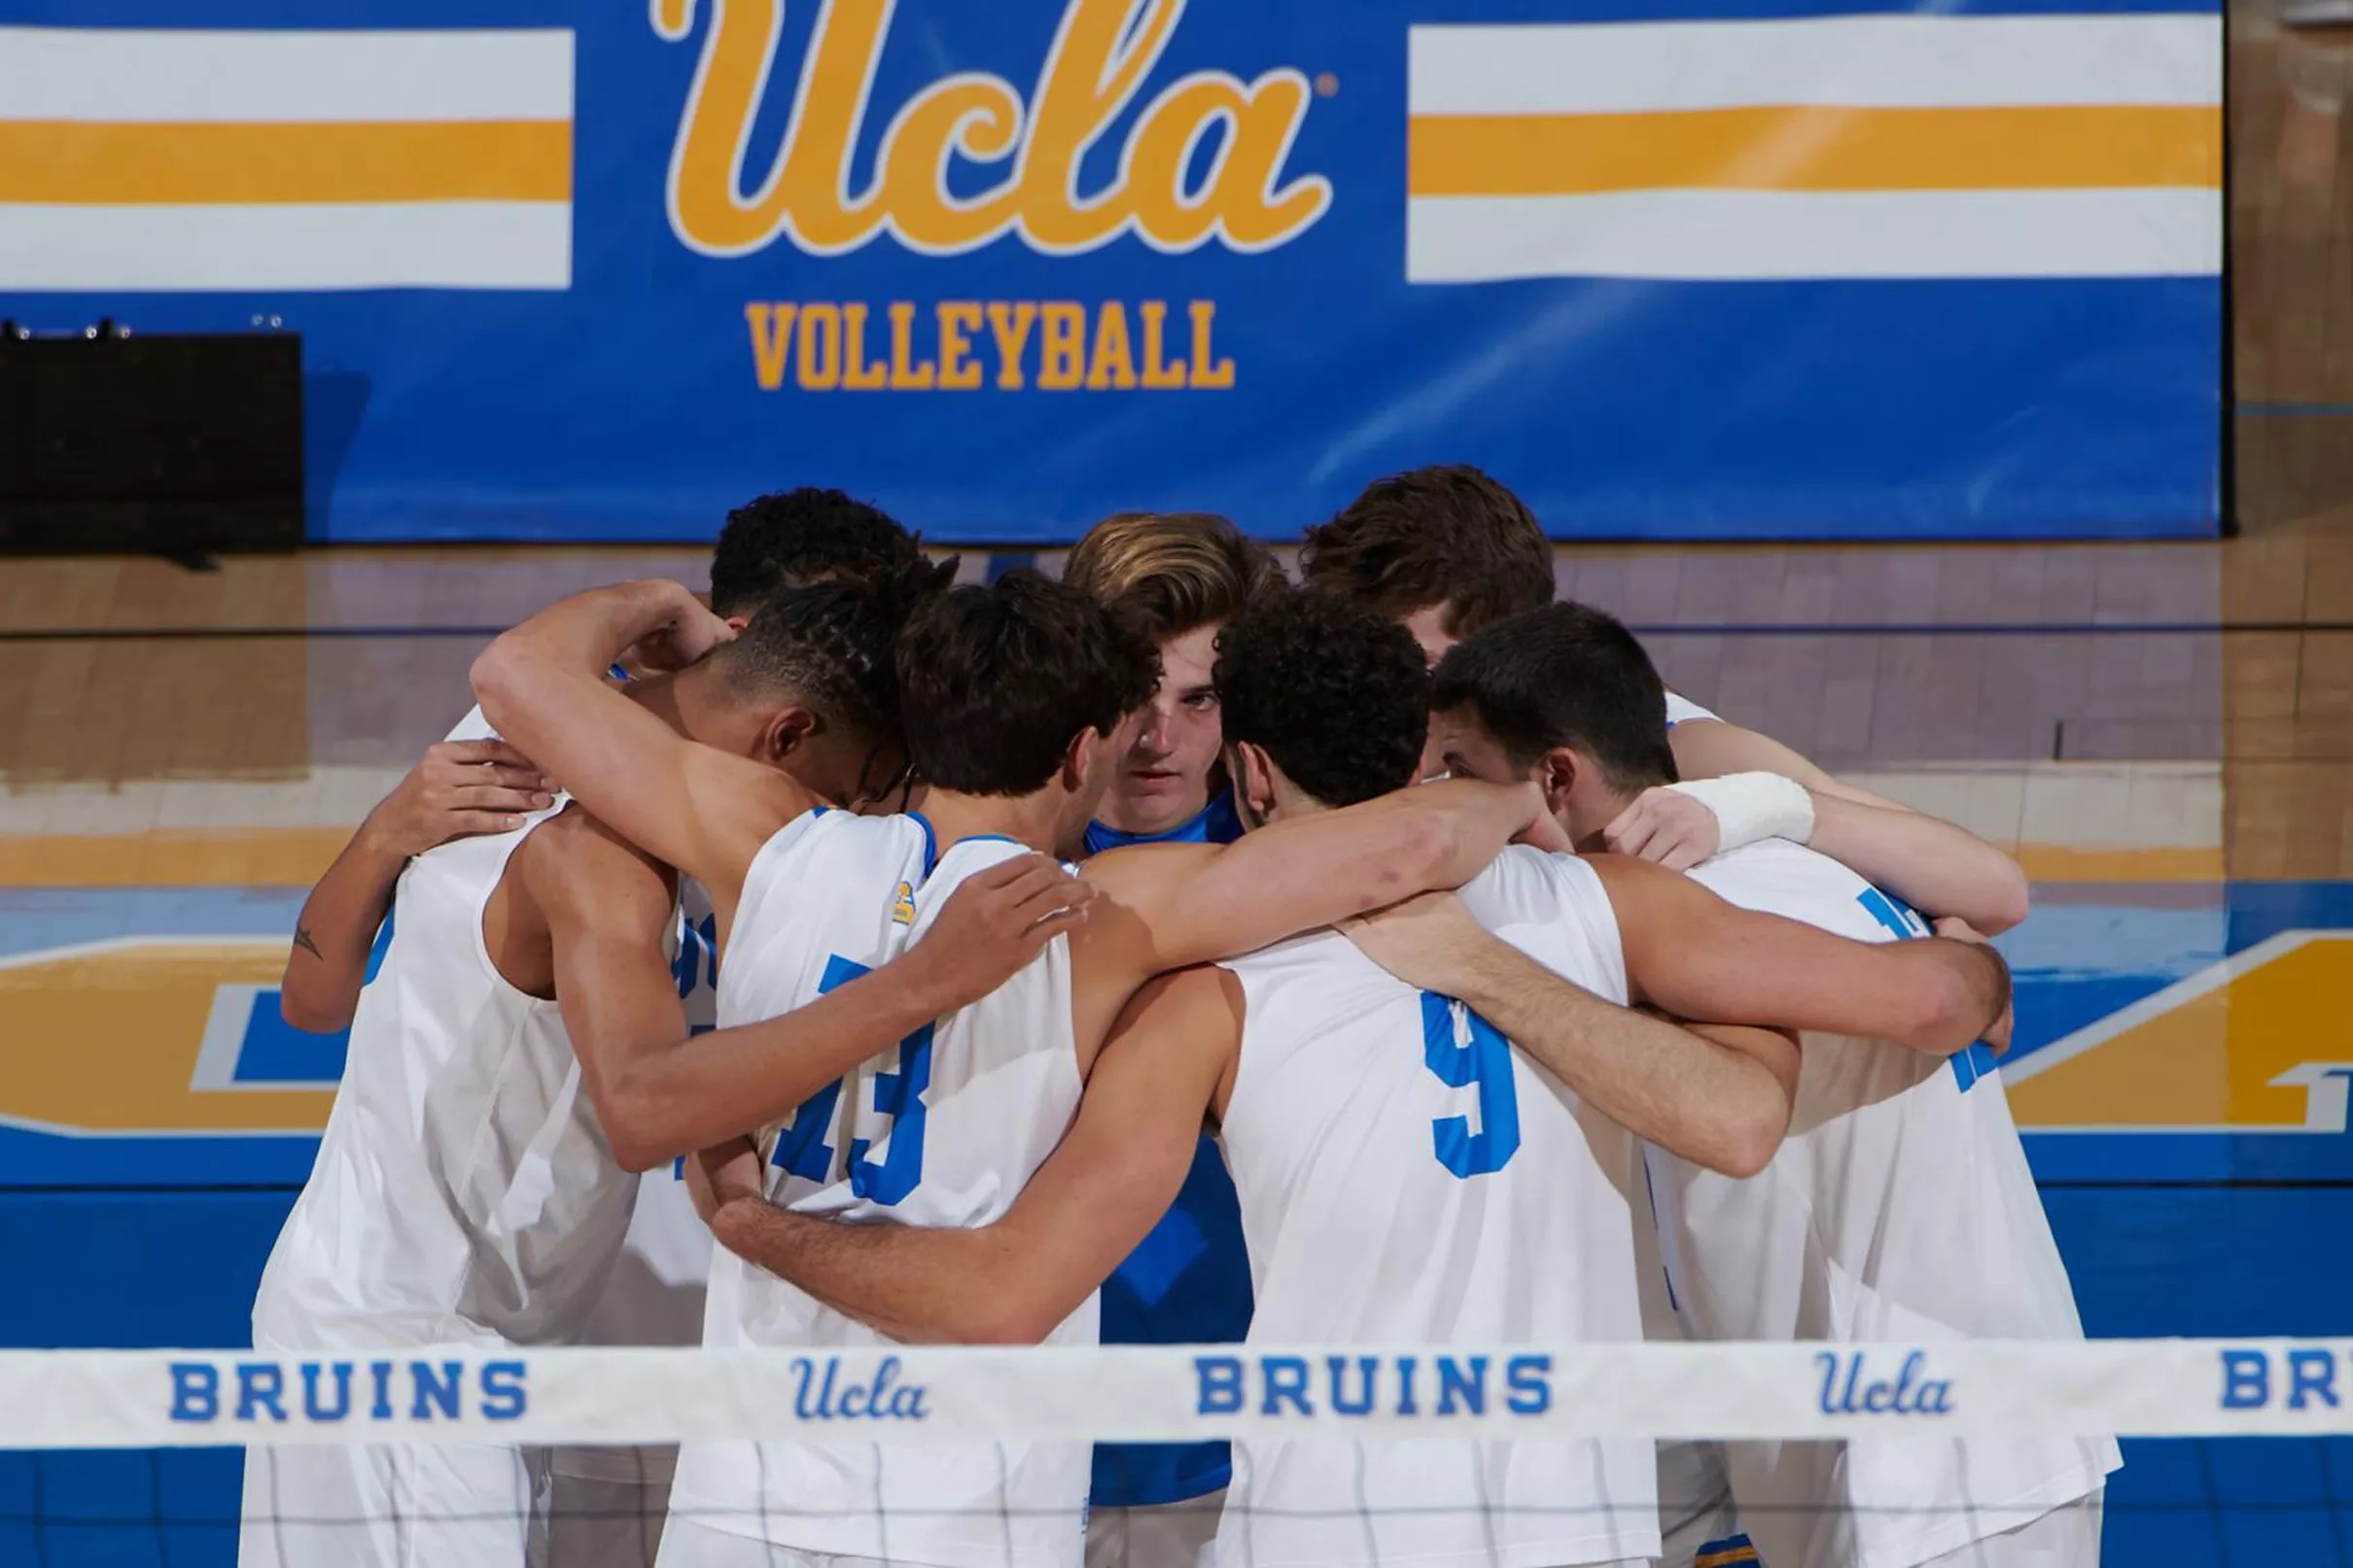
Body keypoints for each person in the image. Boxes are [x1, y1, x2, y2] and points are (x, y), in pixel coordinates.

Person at [686, 591, 2013, 1568]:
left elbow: (1007, 1287)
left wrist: (751, 1221)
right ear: (1419, 754)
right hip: (1580, 1527)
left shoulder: (1201, 1001)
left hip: (1319, 1528)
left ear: (1248, 774)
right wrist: (1813, 961)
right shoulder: (1614, 910)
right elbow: (1948, 998)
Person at [468, 573, 1572, 1568]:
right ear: (1080, 753)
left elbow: (514, 674)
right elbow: (1405, 847)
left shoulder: (761, 834)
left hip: (749, 1486)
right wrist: (1515, 793)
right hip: (973, 1504)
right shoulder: (1110, 914)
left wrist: (655, 601)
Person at [243, 573, 1088, 1568]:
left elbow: (527, 665)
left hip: (510, 1341)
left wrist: (653, 610)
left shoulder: (591, 758)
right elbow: (322, 1005)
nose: (862, 813)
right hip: (395, 1337)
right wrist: (923, 981)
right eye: (864, 780)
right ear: (786, 737)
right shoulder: (564, 826)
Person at [1420, 602, 2114, 1568]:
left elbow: (1896, 1019)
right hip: (1995, 1439)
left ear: (1556, 777)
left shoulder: (1697, 918)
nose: (1432, 796)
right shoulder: (1798, 857)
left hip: (1917, 1480)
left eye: (1455, 770)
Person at [1302, 467, 2031, 943]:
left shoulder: (1677, 750)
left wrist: (1763, 804)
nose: (1384, 691)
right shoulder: (1339, 732)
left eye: (1416, 668)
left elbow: (1993, 891)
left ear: (1507, 649)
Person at [1058, 510, 1284, 1564]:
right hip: (1017, 1439)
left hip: (1232, 1447)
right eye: (1132, 701)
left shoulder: (1315, 864)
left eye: (1196, 701)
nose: (1156, 741)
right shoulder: (975, 842)